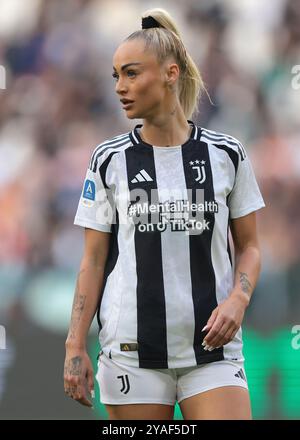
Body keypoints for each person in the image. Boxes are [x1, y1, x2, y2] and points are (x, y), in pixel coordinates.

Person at [64, 8, 265, 420]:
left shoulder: (226, 154)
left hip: (213, 351)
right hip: (132, 354)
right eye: (116, 76)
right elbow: (93, 260)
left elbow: (250, 247)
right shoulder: (108, 160)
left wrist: (238, 299)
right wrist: (74, 345)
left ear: (171, 73)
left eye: (132, 73)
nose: (120, 87)